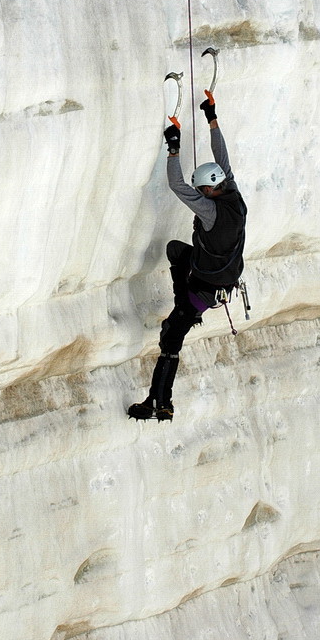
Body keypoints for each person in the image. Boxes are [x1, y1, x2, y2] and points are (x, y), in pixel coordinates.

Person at [128, 92, 247, 421]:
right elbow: (222, 158)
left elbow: (177, 184)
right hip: (220, 279)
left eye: (201, 191)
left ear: (208, 190)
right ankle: (185, 309)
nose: (198, 194)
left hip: (205, 287)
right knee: (176, 251)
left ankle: (158, 402)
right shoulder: (232, 193)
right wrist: (212, 118)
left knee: (171, 337)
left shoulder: (209, 210)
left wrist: (174, 146)